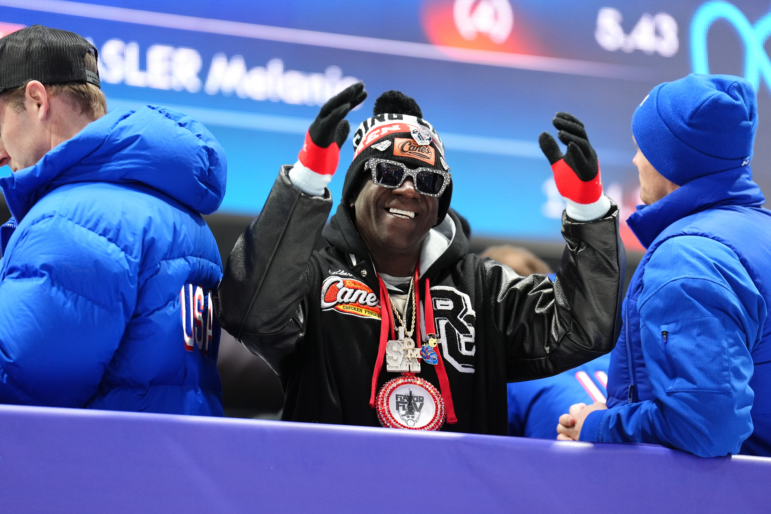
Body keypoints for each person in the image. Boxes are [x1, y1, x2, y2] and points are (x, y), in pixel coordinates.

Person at [216, 84, 624, 433]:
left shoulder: (484, 289)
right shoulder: (311, 276)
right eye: (390, 173)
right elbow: (250, 313)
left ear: (439, 204)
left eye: (428, 180)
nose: (409, 190)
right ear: (355, 188)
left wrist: (587, 208)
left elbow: (582, 328)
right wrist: (307, 179)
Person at [0, 25, 226, 414]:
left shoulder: (72, 220)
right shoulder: (178, 212)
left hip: (95, 469)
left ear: (37, 101)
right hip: (171, 463)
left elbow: (20, 383)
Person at [557, 74, 771, 457]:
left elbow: (705, 426)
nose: (637, 160)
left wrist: (598, 426)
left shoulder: (689, 260)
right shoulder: (757, 233)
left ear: (673, 162)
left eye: (643, 148)